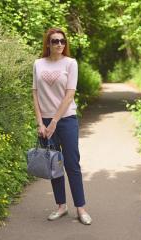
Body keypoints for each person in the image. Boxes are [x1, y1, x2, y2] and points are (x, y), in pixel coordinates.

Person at [32, 27, 92, 225]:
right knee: (54, 164)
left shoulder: (70, 63)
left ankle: (81, 208)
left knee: (71, 164)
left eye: (62, 41)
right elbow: (35, 94)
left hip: (66, 120)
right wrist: (41, 123)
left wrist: (54, 122)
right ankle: (61, 206)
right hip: (46, 122)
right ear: (48, 44)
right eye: (55, 41)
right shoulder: (38, 64)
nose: (59, 44)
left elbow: (69, 95)